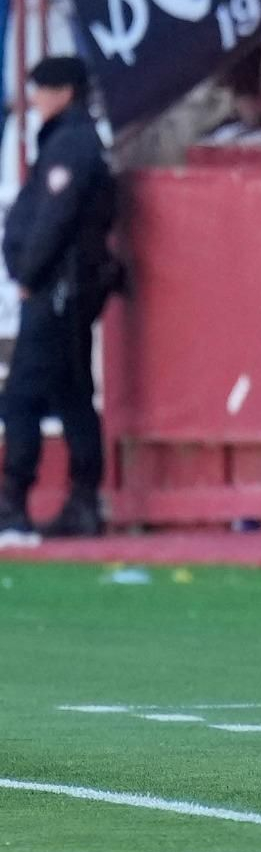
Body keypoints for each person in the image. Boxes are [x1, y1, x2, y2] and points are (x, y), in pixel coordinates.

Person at [0, 56, 118, 545]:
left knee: (22, 396)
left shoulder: (71, 145)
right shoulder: (73, 141)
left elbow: (55, 217)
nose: (36, 100)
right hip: (68, 286)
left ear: (65, 92)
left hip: (57, 288)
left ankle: (13, 503)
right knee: (71, 394)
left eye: (43, 90)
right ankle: (84, 501)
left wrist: (29, 273)